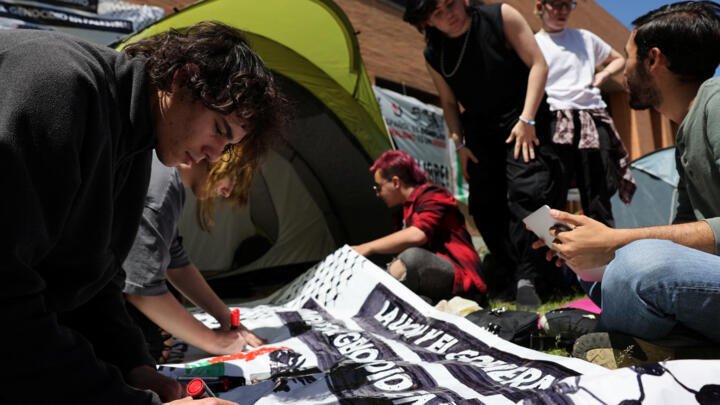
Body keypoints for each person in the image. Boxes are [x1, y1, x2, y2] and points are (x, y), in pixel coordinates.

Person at [1, 21, 285, 404]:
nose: (215, 155)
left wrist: (137, 367)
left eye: (229, 146)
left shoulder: (135, 146)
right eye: (219, 129)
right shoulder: (60, 90)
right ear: (184, 79)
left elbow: (93, 280)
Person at [534, 1, 720, 366]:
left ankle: (655, 339)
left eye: (627, 57)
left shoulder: (717, 103)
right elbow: (684, 237)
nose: (623, 71)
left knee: (637, 264)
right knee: (601, 271)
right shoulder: (686, 131)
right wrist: (593, 247)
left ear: (653, 60)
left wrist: (620, 241)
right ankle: (682, 346)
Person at [402, 0, 565, 308]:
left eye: (451, 4)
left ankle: (542, 275)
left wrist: (527, 119)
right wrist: (459, 145)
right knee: (485, 205)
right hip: (479, 129)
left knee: (531, 194)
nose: (449, 14)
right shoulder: (433, 53)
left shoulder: (500, 15)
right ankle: (512, 272)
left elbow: (538, 64)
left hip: (524, 117)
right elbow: (449, 103)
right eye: (438, 13)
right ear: (427, 23)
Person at [123, 152, 267, 363]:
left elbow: (176, 263)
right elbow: (142, 289)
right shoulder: (163, 186)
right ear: (219, 155)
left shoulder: (171, 182)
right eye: (234, 177)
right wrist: (214, 342)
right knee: (155, 349)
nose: (227, 192)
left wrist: (226, 319)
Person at [534, 0, 635, 228]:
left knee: (598, 190)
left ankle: (603, 255)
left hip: (592, 117)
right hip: (554, 118)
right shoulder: (534, 43)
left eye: (568, 5)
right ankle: (552, 252)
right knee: (552, 189)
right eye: (556, 5)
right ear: (540, 6)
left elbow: (619, 58)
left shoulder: (584, 37)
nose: (562, 11)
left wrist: (603, 75)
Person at [352, 150, 486, 303]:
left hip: (462, 279)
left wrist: (367, 247)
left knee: (411, 257)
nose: (378, 193)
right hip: (432, 280)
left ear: (396, 182)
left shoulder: (433, 194)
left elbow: (418, 235)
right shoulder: (401, 212)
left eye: (378, 187)